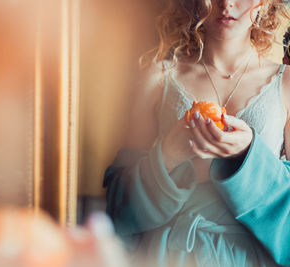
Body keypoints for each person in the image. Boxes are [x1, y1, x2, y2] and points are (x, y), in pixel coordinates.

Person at [103, 0, 290, 266]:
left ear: (265, 3)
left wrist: (248, 156)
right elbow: (117, 211)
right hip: (170, 255)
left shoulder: (286, 84)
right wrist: (168, 154)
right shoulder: (158, 78)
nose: (226, 3)